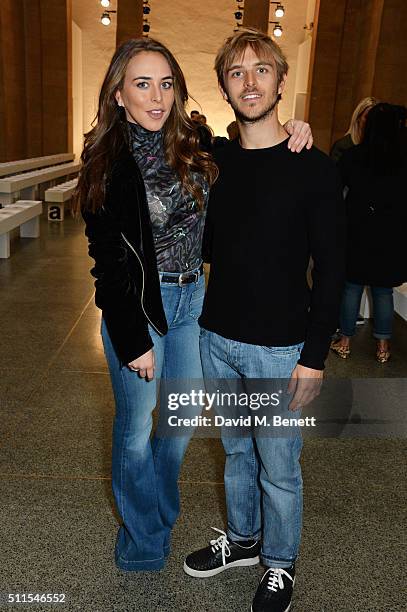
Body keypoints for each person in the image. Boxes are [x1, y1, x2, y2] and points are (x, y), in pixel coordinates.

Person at [75, 36, 313, 573]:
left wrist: (294, 129)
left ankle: (157, 516)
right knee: (136, 431)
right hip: (141, 306)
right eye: (142, 85)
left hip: (192, 303)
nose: (156, 97)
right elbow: (107, 262)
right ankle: (144, 537)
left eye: (166, 84)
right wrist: (131, 335)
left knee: (177, 426)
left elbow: (257, 150)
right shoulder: (104, 162)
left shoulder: (197, 145)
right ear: (118, 94)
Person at [183, 29, 345, 612]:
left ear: (280, 80)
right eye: (236, 73)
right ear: (224, 88)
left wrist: (314, 356)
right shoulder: (216, 165)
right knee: (235, 453)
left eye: (261, 70)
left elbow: (331, 270)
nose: (249, 82)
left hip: (281, 348)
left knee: (279, 467)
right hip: (217, 338)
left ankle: (280, 563)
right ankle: (245, 541)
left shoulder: (315, 168)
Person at [330, 103, 407, 363]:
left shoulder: (354, 156)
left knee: (351, 289)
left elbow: (337, 191)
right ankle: (383, 346)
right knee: (383, 293)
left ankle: (345, 341)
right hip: (390, 237)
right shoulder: (403, 159)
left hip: (357, 232)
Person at [330, 97, 378, 163]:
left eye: (374, 117)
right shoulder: (342, 146)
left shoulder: (377, 149)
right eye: (367, 117)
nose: (370, 121)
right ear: (358, 118)